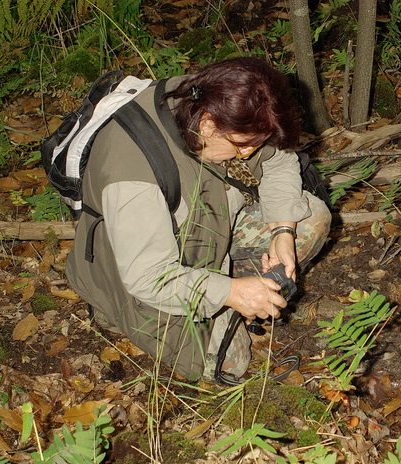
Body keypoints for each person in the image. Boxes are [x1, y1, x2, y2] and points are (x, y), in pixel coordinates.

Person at [65, 57, 332, 382]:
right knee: (231, 363)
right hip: (139, 272)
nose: (248, 154)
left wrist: (282, 230)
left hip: (206, 226)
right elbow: (150, 278)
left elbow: (278, 160)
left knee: (311, 218)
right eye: (244, 147)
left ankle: (235, 281)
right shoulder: (133, 177)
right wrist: (233, 294)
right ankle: (111, 313)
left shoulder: (220, 103)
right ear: (206, 125)